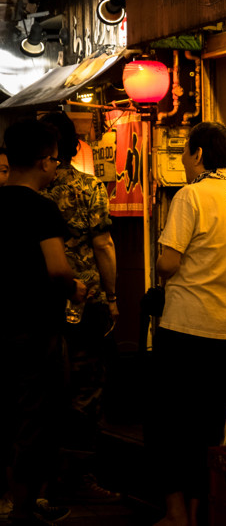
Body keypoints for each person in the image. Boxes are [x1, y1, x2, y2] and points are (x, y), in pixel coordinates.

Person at [149, 122, 226, 526]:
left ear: (197, 154)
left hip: (186, 326)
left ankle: (176, 513)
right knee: (207, 421)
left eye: (185, 152)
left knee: (169, 421)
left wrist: (161, 264)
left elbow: (168, 262)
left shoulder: (190, 195)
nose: (182, 159)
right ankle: (199, 511)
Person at [0, 119, 85, 525]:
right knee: (34, 418)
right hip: (34, 330)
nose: (56, 168)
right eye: (54, 160)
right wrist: (76, 287)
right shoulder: (41, 208)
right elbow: (57, 269)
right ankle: (23, 508)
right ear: (41, 161)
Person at [38, 111, 121, 505]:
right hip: (83, 303)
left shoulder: (26, 190)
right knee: (86, 390)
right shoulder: (88, 188)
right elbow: (103, 244)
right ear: (73, 146)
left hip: (34, 304)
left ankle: (38, 479)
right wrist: (113, 295)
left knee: (39, 390)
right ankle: (80, 475)